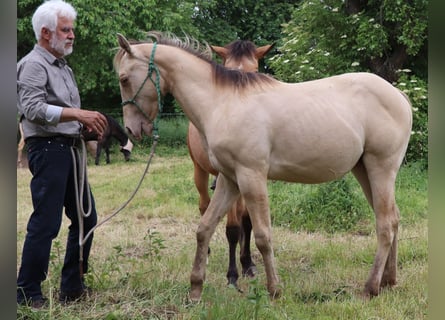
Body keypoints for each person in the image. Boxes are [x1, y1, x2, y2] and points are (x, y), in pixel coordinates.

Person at [17, 0, 107, 308]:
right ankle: (27, 292)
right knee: (47, 221)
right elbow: (32, 109)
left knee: (86, 219)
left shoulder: (62, 66)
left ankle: (72, 287)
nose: (72, 36)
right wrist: (78, 115)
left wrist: (83, 130)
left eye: (72, 30)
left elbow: (61, 115)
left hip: (68, 149)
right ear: (45, 33)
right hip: (48, 150)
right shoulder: (33, 64)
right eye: (65, 30)